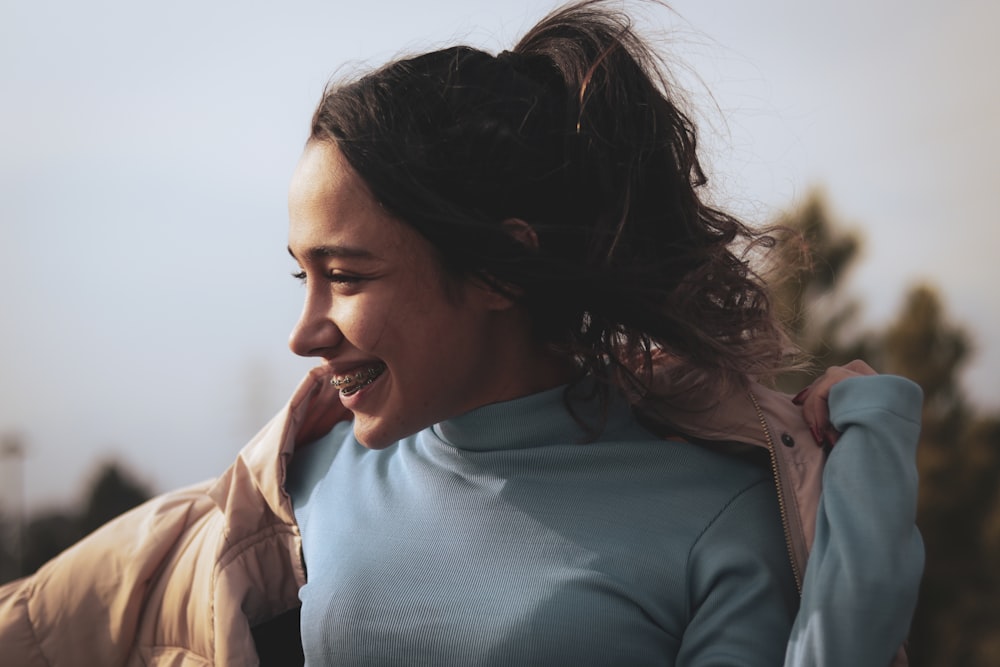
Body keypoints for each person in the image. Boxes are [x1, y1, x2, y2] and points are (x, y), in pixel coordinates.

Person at [0, 1, 923, 665]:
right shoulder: (288, 496)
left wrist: (871, 482)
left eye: (347, 276)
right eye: (301, 274)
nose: (304, 333)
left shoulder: (718, 516)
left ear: (501, 270)